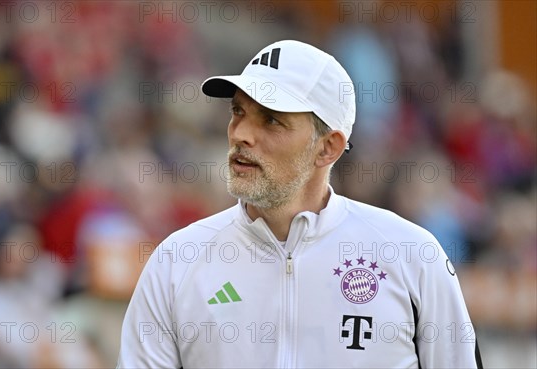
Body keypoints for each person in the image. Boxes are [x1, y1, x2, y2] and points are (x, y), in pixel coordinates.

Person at [117, 40, 482, 368]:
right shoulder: (175, 262)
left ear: (328, 148)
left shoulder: (413, 256)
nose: (241, 134)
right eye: (238, 112)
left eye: (272, 120)